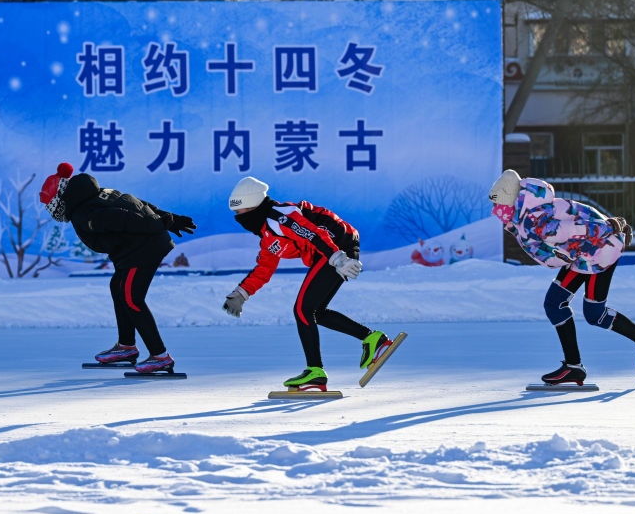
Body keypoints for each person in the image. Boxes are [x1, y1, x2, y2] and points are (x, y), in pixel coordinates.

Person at [488, 169, 635, 384]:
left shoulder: (536, 220)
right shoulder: (527, 214)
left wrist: (610, 227)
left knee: (592, 312)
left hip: (598, 252)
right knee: (556, 304)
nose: (495, 210)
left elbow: (578, 228)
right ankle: (574, 366)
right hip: (582, 255)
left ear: (510, 200)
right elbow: (574, 216)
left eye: (497, 205)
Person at [222, 176, 394, 391]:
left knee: (302, 309)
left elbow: (313, 234)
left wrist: (339, 259)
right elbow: (264, 268)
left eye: (241, 212)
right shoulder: (268, 235)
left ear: (253, 206)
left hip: (335, 247)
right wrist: (241, 293)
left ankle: (315, 371)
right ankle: (373, 339)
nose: (240, 218)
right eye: (237, 214)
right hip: (333, 252)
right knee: (315, 312)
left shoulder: (280, 217)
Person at [39, 162, 196, 374]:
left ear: (61, 198)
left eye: (51, 205)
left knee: (131, 298)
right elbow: (136, 203)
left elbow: (125, 218)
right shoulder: (96, 194)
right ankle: (126, 346)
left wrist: (161, 223)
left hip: (143, 248)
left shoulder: (84, 213)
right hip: (137, 247)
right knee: (118, 287)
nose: (51, 211)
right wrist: (168, 219)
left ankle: (160, 357)